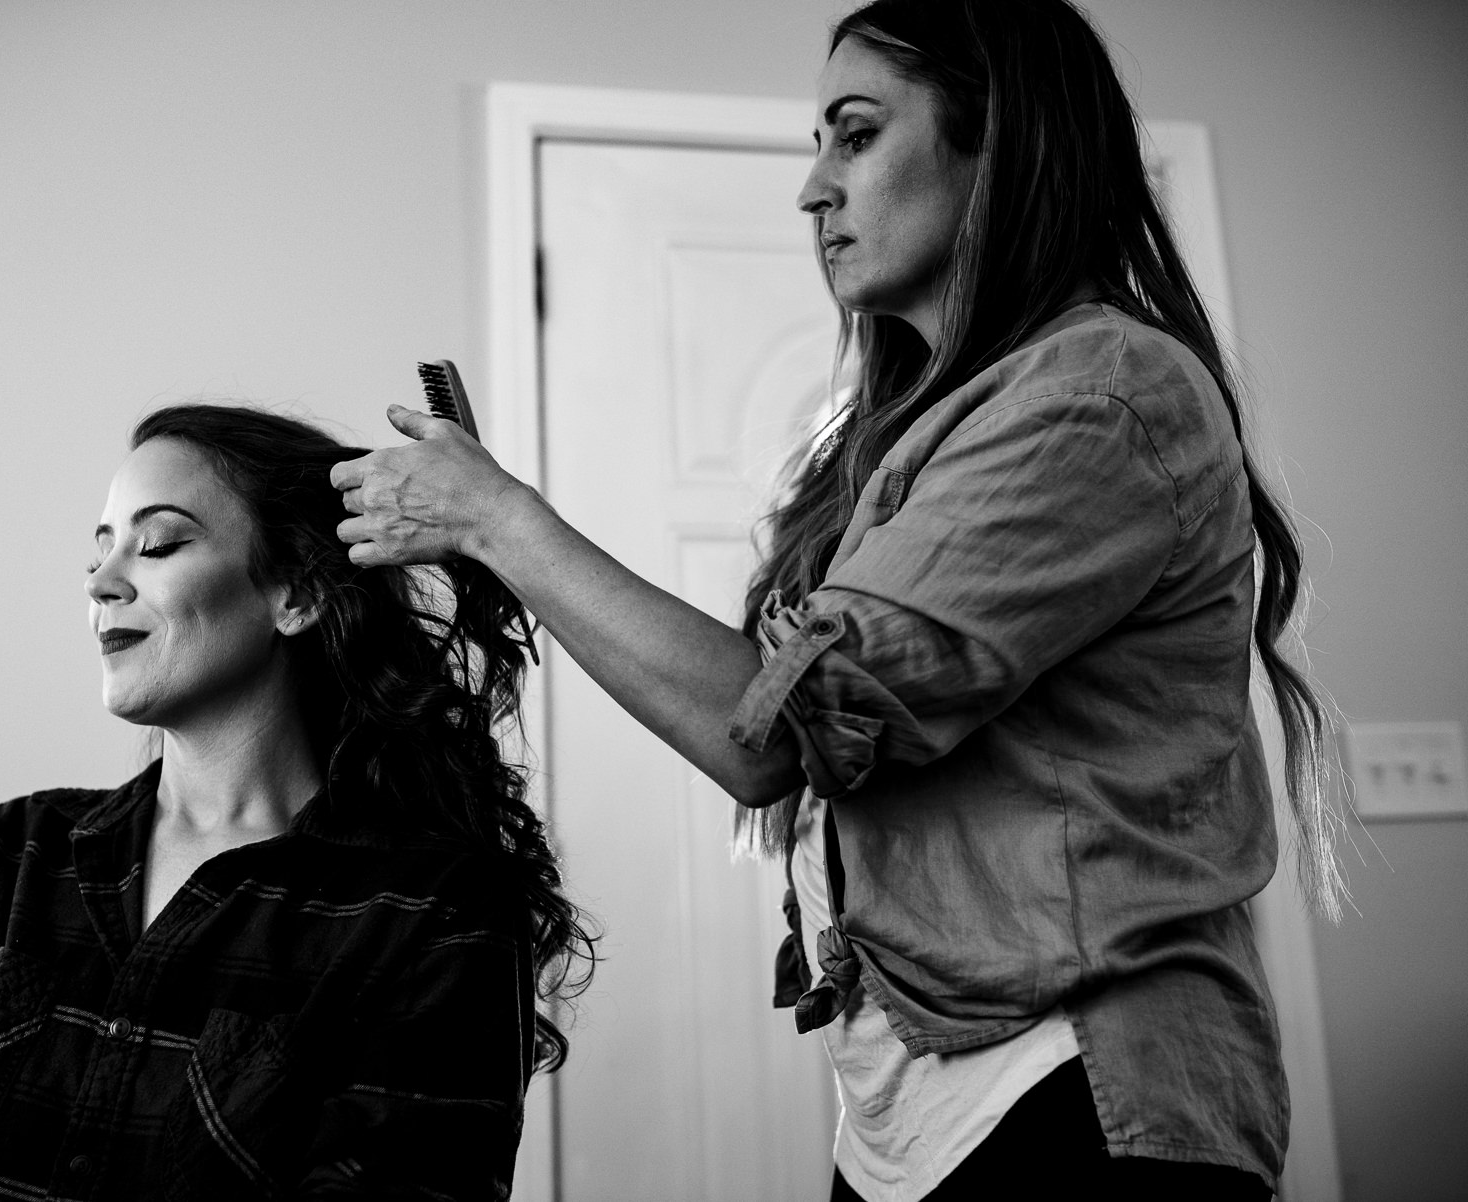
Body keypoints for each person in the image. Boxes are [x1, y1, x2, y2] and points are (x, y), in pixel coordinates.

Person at [330, 1, 1343, 1198]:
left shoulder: (1101, 393)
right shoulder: (932, 432)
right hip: (911, 1106)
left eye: (854, 136)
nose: (812, 190)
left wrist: (500, 517)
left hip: (1073, 1094)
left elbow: (777, 733)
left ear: (999, 147)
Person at [0, 404, 593, 1201]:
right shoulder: (4, 858)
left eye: (157, 544)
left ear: (296, 594)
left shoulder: (435, 911)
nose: (101, 582)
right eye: (100, 551)